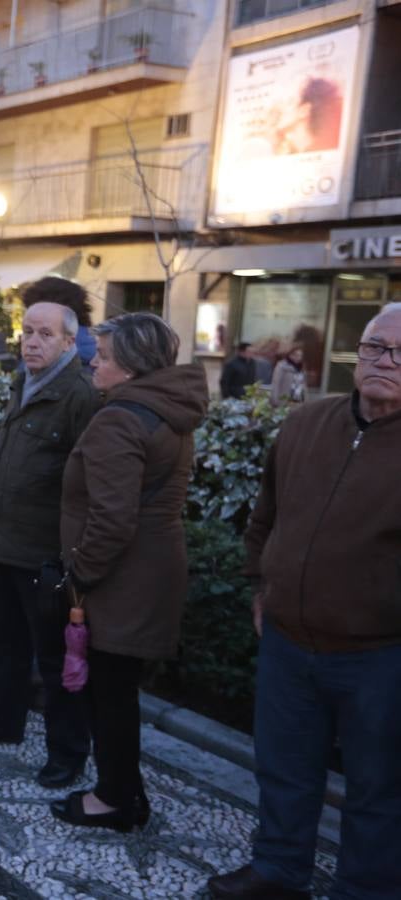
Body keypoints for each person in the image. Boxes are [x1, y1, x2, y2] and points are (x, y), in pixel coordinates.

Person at [207, 304, 401, 900]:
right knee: (284, 771)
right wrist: (261, 585)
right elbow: (265, 514)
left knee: (378, 788)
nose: (382, 362)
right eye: (373, 347)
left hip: (380, 656)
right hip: (289, 644)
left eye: (398, 353)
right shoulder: (307, 423)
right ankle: (278, 871)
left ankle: (365, 889)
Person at [50, 313, 208, 831]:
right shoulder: (165, 409)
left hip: (121, 578)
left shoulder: (121, 418)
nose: (94, 360)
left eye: (105, 354)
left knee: (110, 694)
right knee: (118, 690)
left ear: (132, 366)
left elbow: (112, 519)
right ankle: (124, 791)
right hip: (151, 570)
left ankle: (114, 799)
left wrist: (81, 576)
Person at [0, 302, 98, 788]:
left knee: (54, 660)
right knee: (2, 642)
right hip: (7, 544)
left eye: (44, 334)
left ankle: (67, 752)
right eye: (27, 332)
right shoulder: (25, 382)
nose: (31, 342)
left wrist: (71, 556)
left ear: (68, 342)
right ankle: (4, 720)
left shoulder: (78, 394)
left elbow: (88, 481)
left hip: (46, 554)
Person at [24, 277, 96, 365]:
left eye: (46, 334)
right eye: (28, 331)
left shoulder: (61, 358)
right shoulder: (92, 346)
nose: (32, 343)